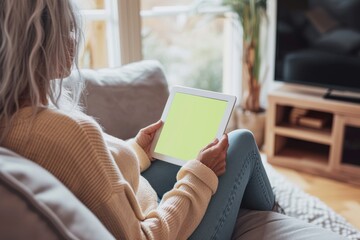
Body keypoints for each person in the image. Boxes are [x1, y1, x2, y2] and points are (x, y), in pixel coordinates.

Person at [0, 1, 275, 239]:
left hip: (144, 199)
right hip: (168, 229)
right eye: (68, 28)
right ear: (35, 41)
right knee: (241, 142)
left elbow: (89, 180)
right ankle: (273, 212)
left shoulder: (13, 119)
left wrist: (136, 150)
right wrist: (201, 175)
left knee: (190, 151)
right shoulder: (69, 132)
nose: (75, 39)